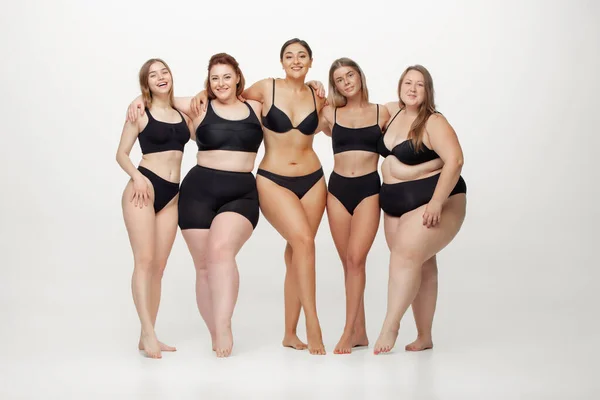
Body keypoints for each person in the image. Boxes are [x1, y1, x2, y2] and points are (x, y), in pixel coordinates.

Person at [191, 38, 328, 355]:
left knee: (297, 251)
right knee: (305, 243)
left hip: (313, 179)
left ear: (311, 61)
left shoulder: (317, 95)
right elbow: (229, 98)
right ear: (281, 62)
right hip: (273, 178)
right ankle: (313, 324)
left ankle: (290, 333)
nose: (295, 60)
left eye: (302, 56)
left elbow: (334, 121)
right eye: (289, 56)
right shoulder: (266, 88)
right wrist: (202, 92)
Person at [128, 53, 263, 358]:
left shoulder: (257, 106)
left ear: (238, 77)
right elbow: (164, 97)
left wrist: (318, 84)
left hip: (241, 193)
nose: (221, 83)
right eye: (214, 78)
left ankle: (224, 324)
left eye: (227, 76)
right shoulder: (199, 107)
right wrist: (139, 97)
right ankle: (214, 331)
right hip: (197, 192)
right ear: (208, 82)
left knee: (221, 252)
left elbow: (288, 105)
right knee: (203, 266)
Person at [373, 65, 467, 355]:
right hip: (393, 202)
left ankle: (391, 324)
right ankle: (424, 336)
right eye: (408, 83)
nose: (412, 89)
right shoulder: (391, 112)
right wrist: (316, 88)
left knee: (405, 256)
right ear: (400, 85)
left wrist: (437, 202)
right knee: (420, 264)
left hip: (435, 199)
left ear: (428, 91)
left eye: (420, 85)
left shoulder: (434, 121)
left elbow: (455, 160)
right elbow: (354, 107)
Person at [116, 58, 192, 359]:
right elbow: (121, 153)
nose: (160, 77)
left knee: (158, 268)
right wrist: (136, 177)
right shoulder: (140, 113)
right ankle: (148, 333)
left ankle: (147, 333)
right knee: (144, 262)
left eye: (164, 72)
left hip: (172, 196)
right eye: (153, 75)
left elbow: (205, 99)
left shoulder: (182, 113)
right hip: (143, 192)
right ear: (145, 83)